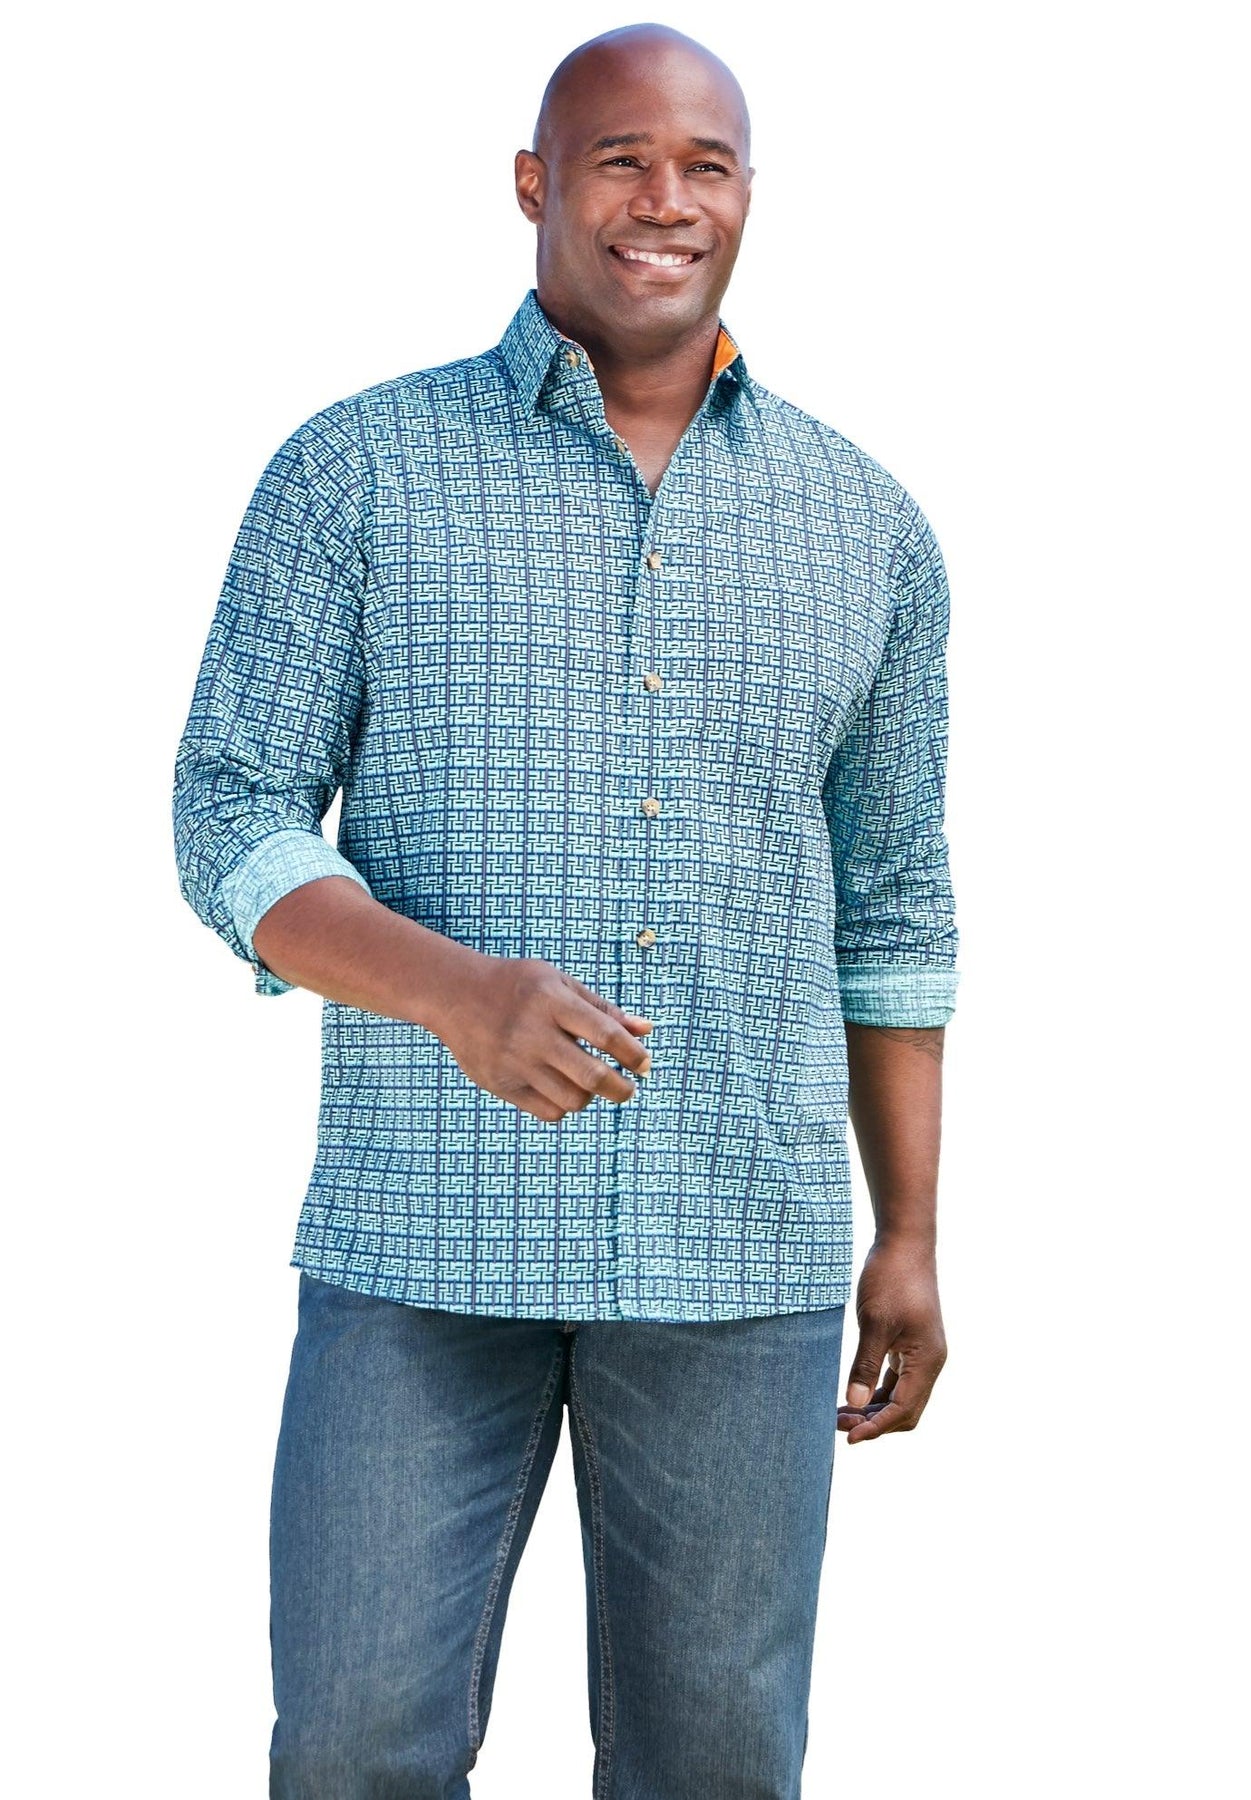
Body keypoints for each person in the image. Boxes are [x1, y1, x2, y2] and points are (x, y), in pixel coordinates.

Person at [172, 20, 961, 1799]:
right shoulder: (356, 472)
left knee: (716, 1762)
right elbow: (225, 811)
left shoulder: (871, 529)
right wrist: (452, 990)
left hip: (740, 1247)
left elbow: (898, 907)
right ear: (536, 183)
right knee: (354, 1746)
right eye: (620, 158)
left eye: (706, 165)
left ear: (749, 197)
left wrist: (908, 1232)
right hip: (420, 1243)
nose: (664, 200)